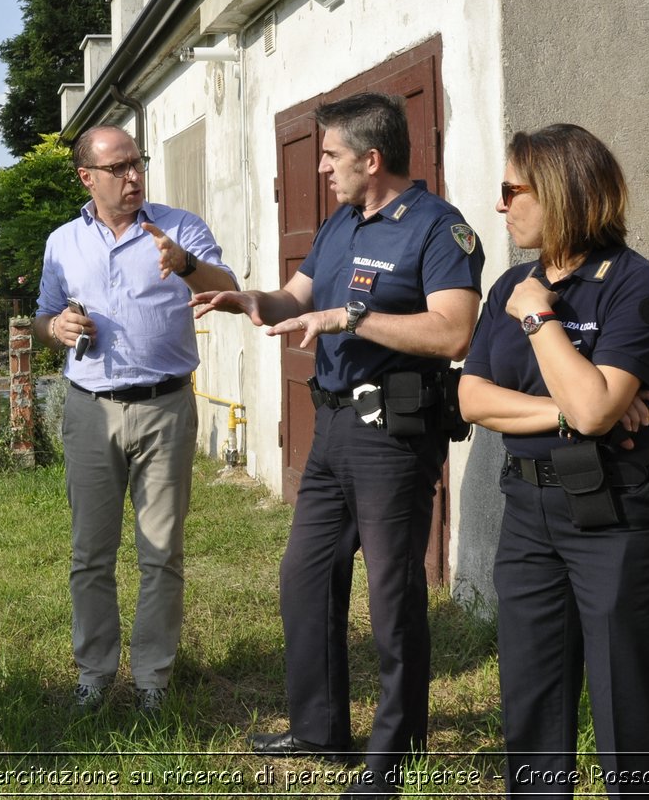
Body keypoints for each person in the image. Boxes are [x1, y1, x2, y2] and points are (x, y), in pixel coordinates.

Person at [192, 92, 483, 798]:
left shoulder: (438, 231)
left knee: (391, 594)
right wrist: (251, 300)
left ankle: (395, 751)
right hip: (332, 431)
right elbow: (297, 297)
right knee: (305, 573)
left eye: (331, 155)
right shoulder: (340, 224)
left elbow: (453, 332)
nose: (321, 167)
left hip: (393, 433)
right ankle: (321, 727)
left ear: (372, 159)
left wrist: (352, 318)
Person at [458, 124, 649, 798]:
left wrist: (539, 322)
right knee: (530, 694)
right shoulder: (509, 282)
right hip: (528, 509)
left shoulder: (636, 285)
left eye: (511, 190)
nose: (500, 205)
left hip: (619, 507)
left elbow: (596, 409)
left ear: (558, 191)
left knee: (628, 701)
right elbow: (473, 397)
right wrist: (568, 409)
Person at [34, 124, 237, 712]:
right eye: (118, 167)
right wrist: (59, 329)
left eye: (137, 163)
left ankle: (152, 680)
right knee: (90, 553)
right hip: (90, 412)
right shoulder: (63, 242)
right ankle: (94, 676)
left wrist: (187, 263)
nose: (133, 176)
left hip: (165, 408)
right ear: (87, 177)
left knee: (161, 553)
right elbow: (46, 320)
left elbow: (227, 289)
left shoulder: (180, 228)